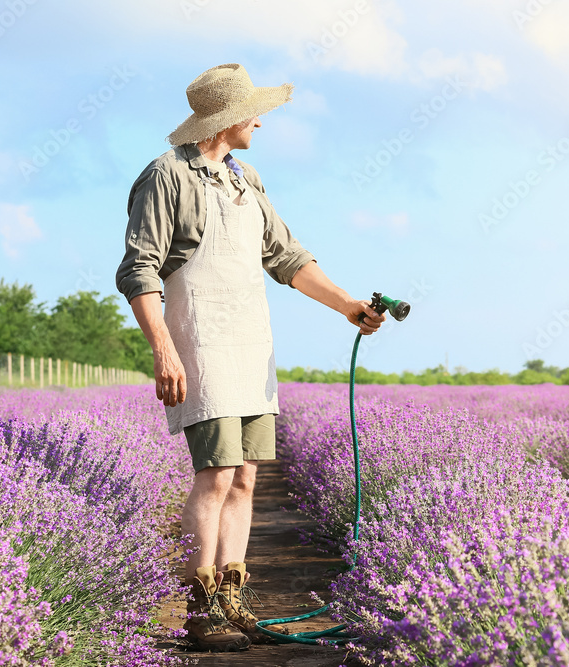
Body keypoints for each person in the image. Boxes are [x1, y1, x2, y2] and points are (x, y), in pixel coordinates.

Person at [115, 63, 385, 653]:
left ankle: (233, 598)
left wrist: (346, 304)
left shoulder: (245, 178)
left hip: (250, 344)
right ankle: (201, 607)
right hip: (201, 345)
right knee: (212, 476)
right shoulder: (166, 178)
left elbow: (286, 256)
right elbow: (138, 271)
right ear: (227, 119)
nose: (261, 121)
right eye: (253, 112)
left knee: (244, 478)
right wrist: (165, 349)